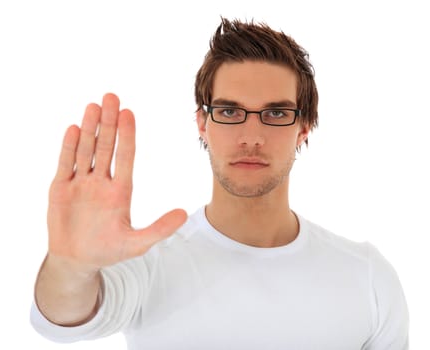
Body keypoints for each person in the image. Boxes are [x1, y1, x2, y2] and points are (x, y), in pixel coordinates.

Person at [30, 18, 409, 349]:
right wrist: (70, 267)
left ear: (303, 128)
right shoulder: (149, 264)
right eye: (230, 111)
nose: (251, 135)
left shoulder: (368, 277)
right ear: (202, 123)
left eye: (276, 112)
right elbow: (63, 318)